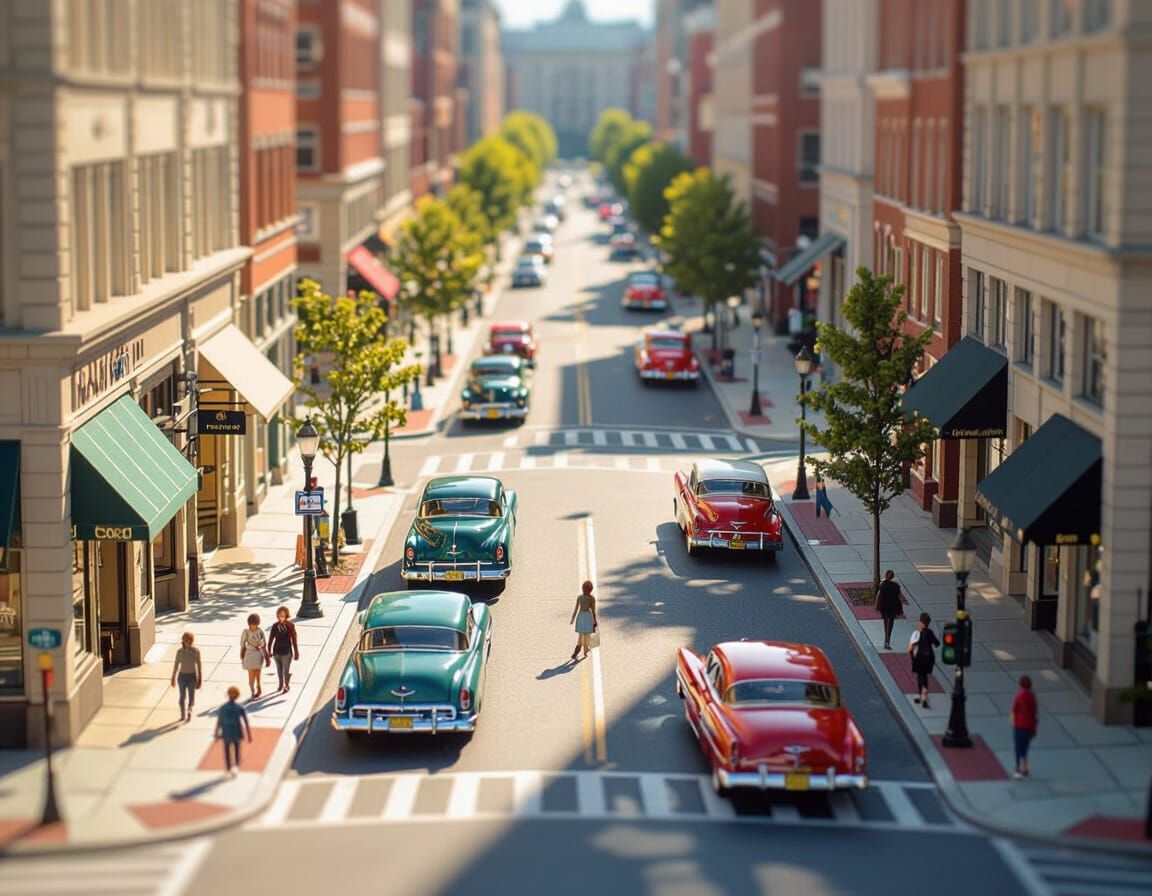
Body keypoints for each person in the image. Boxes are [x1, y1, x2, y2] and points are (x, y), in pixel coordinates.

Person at [214, 685, 252, 778]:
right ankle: (236, 767)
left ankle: (228, 768)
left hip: (226, 731)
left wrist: (216, 733)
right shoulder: (240, 708)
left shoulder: (223, 708)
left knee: (226, 750)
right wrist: (249, 735)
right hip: (236, 732)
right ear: (237, 696)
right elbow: (246, 722)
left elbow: (219, 721)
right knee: (237, 749)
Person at [908, 612, 939, 709]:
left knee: (920, 676)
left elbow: (910, 648)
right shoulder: (930, 633)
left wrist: (912, 657)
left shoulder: (916, 634)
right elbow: (937, 643)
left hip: (919, 657)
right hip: (929, 658)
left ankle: (920, 694)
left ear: (921, 622)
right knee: (924, 676)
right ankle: (924, 697)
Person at [170, 632, 202, 722]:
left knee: (191, 697)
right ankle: (183, 715)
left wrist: (200, 679)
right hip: (182, 677)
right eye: (185, 640)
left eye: (189, 640)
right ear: (183, 641)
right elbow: (176, 665)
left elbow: (199, 666)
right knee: (182, 697)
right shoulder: (179, 652)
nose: (187, 642)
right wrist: (173, 677)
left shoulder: (196, 652)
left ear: (192, 641)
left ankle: (189, 710)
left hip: (192, 677)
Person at [268, 605, 300, 694]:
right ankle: (281, 683)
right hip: (276, 651)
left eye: (283, 615)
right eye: (279, 614)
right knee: (279, 669)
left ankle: (286, 685)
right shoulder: (275, 626)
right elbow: (271, 639)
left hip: (287, 652)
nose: (281, 616)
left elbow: (294, 639)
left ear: (286, 615)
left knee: (286, 670)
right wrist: (269, 650)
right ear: (277, 615)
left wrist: (296, 652)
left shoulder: (290, 625)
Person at [1011, 675, 1038, 779]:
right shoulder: (1032, 697)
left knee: (1018, 747)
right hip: (1028, 726)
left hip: (1019, 725)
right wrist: (1034, 729)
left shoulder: (1019, 696)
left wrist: (1013, 723)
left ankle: (1018, 768)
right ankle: (1025, 767)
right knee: (1025, 748)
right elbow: (1034, 713)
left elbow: (1014, 710)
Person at [240, 613, 270, 699]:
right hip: (249, 655)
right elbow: (242, 644)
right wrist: (242, 655)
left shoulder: (260, 631)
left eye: (255, 624)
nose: (254, 626)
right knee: (251, 676)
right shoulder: (245, 632)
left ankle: (258, 687)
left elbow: (264, 643)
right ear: (249, 623)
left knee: (258, 673)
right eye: (253, 624)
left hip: (258, 655)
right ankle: (252, 692)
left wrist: (261, 646)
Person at [569, 580, 598, 661]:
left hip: (581, 616)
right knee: (587, 635)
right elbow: (593, 610)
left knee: (581, 635)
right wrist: (595, 622)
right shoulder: (591, 598)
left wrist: (573, 618)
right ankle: (586, 650)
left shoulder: (580, 597)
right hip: (588, 617)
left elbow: (576, 609)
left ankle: (577, 650)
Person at [875, 570, 904, 650]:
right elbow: (899, 597)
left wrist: (877, 606)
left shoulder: (883, 585)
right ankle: (888, 640)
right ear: (893, 577)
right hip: (893, 607)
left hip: (884, 607)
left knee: (885, 622)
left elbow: (879, 596)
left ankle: (886, 639)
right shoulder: (896, 586)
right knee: (891, 623)